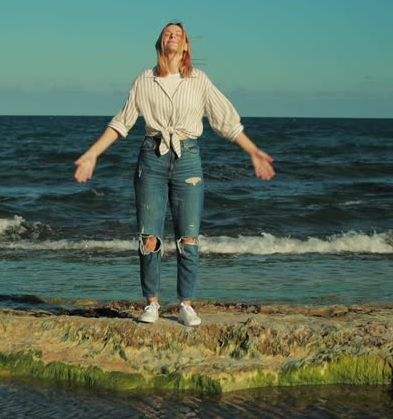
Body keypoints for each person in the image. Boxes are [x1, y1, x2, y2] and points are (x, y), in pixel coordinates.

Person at [74, 22, 275, 327]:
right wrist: (92, 154)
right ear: (159, 42)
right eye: (168, 33)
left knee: (189, 238)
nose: (172, 37)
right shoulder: (144, 80)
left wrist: (253, 151)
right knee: (149, 237)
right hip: (151, 158)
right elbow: (122, 122)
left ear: (186, 46)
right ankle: (152, 303)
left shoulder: (198, 80)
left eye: (178, 35)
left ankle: (185, 304)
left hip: (188, 160)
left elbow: (226, 121)